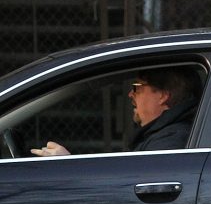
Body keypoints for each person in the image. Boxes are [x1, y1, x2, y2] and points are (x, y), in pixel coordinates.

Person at [31, 66, 201, 156]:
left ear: (163, 96)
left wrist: (68, 167)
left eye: (137, 88)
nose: (130, 94)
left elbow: (132, 187)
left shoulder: (171, 142)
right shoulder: (165, 136)